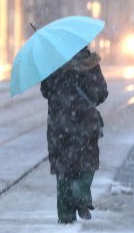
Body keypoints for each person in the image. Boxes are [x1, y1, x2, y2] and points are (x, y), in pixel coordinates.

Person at [40, 47, 108, 224]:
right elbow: (102, 93)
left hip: (59, 125)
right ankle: (81, 191)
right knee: (87, 161)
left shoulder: (52, 64)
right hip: (85, 123)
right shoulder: (90, 63)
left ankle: (65, 216)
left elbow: (46, 91)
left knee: (63, 169)